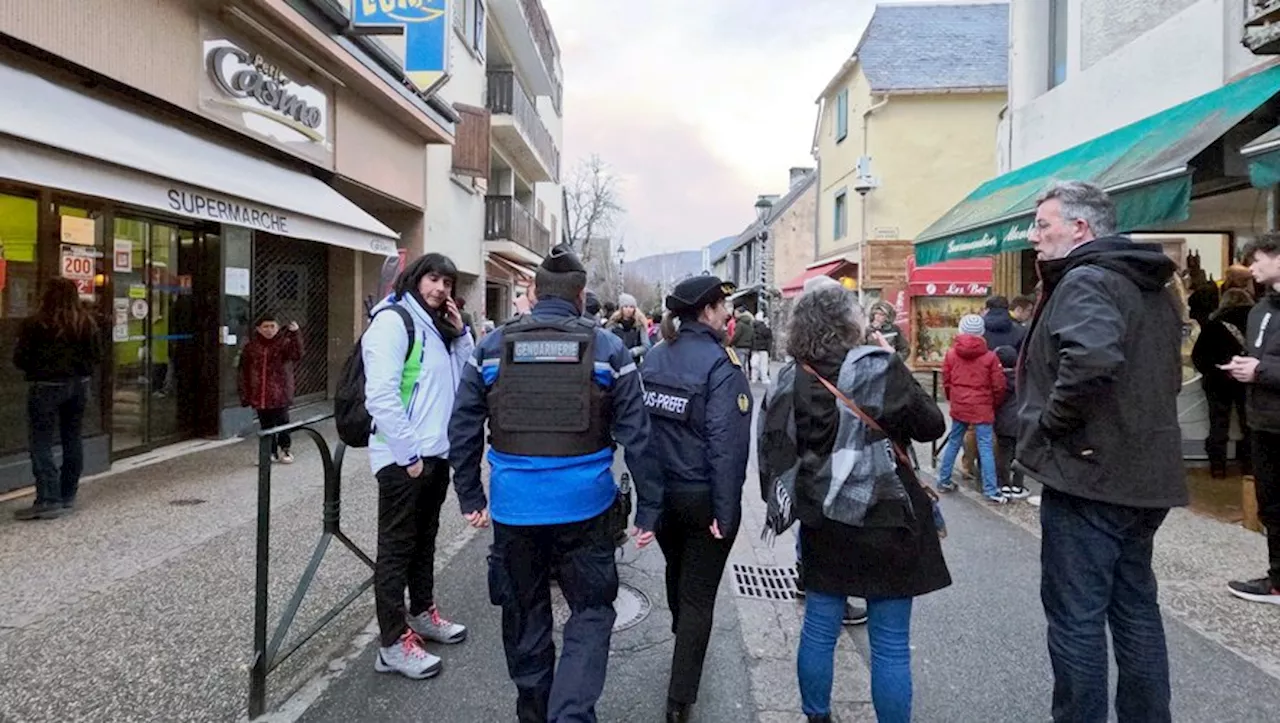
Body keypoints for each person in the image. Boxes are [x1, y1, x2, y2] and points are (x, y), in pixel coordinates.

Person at [449, 244, 652, 723]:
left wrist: (469, 495)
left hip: (515, 512)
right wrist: (650, 507)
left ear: (533, 293)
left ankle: (536, 714)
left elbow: (462, 426)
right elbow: (637, 435)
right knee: (592, 611)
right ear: (581, 297)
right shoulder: (608, 349)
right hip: (586, 510)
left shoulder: (491, 347)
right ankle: (572, 713)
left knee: (524, 615)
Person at [1017, 181, 1185, 722]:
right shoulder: (1151, 287)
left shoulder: (1086, 279)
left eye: (1043, 226)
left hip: (1089, 474)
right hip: (1141, 472)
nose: (1034, 237)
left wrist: (1049, 428)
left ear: (1080, 229)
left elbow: (1090, 360)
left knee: (1077, 619)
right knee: (1135, 609)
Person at [758, 285, 949, 723]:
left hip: (823, 518)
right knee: (890, 643)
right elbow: (931, 425)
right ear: (849, 323)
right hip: (887, 517)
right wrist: (893, 361)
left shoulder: (790, 377)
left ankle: (817, 715)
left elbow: (776, 450)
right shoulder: (877, 369)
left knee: (820, 628)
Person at [634, 275, 751, 723]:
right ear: (705, 311)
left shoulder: (655, 357)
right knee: (700, 592)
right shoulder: (722, 365)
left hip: (663, 496)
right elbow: (727, 448)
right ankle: (680, 698)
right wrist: (726, 511)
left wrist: (647, 500)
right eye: (724, 305)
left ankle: (684, 636)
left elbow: (640, 435)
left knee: (676, 570)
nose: (729, 313)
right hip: (703, 497)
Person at [363, 253, 474, 680]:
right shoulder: (394, 321)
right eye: (433, 278)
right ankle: (392, 644)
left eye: (447, 282)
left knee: (424, 540)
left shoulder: (437, 326)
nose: (441, 289)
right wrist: (407, 455)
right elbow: (382, 396)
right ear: (414, 278)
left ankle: (423, 613)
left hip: (434, 453)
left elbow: (466, 377)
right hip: (401, 458)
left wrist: (461, 333)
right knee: (395, 550)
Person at [12, 278, 101, 520]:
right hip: (79, 386)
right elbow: (96, 356)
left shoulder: (34, 324)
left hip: (45, 386)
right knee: (72, 438)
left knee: (41, 441)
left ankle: (48, 498)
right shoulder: (86, 323)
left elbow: (20, 358)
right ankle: (67, 494)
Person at [1223, 235, 1280, 605]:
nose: (1251, 268)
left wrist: (1261, 370)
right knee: (1271, 503)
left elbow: (1266, 364)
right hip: (1261, 419)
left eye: (1257, 259)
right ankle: (1277, 578)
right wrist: (1244, 368)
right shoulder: (1259, 309)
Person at [935, 314, 1007, 503]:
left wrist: (954, 399)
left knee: (954, 441)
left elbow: (946, 381)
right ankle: (990, 489)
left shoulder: (951, 354)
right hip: (982, 406)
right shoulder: (990, 357)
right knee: (985, 447)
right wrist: (993, 403)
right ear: (982, 332)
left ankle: (943, 480)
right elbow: (999, 385)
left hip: (960, 403)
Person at [1192, 287, 1254, 478]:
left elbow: (1198, 356)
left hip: (1218, 381)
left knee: (1218, 423)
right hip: (1249, 380)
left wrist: (1214, 371)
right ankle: (1250, 465)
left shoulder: (1213, 325)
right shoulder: (1257, 322)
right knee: (1249, 424)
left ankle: (1218, 466)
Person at [239, 313, 303, 464]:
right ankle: (270, 452)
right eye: (265, 327)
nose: (269, 330)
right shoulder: (251, 347)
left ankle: (285, 449)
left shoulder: (284, 343)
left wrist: (296, 335)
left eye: (272, 326)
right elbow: (243, 371)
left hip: (280, 391)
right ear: (258, 329)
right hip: (260, 393)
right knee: (265, 424)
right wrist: (245, 392)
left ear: (278, 327)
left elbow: (297, 354)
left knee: (283, 422)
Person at [992, 345, 1028, 499]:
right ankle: (1018, 486)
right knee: (1020, 454)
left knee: (1003, 454)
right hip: (1021, 420)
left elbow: (997, 398)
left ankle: (1004, 484)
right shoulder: (1023, 378)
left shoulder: (1000, 379)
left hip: (1003, 422)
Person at [607, 292, 651, 364]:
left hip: (633, 363)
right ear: (621, 308)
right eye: (626, 306)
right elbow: (606, 341)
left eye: (631, 307)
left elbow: (646, 346)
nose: (628, 309)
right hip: (615, 361)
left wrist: (632, 352)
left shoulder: (639, 325)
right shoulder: (613, 324)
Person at [728, 307, 755, 379]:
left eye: (736, 313)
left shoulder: (740, 324)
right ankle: (745, 377)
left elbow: (736, 335)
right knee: (745, 363)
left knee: (740, 364)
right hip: (747, 346)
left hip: (739, 346)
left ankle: (741, 379)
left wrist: (729, 344)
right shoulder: (750, 323)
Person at [751, 312, 773, 384]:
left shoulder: (753, 326)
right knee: (764, 365)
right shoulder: (765, 327)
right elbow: (769, 338)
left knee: (754, 364)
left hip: (755, 348)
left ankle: (754, 378)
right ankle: (764, 378)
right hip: (763, 348)